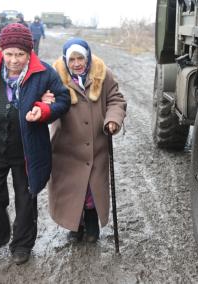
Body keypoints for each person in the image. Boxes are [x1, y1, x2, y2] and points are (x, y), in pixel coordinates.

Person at [0, 23, 70, 264]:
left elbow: (63, 99)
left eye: (20, 54)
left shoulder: (44, 72)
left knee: (26, 198)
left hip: (28, 151)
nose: (14, 60)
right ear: (1, 51)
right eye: (9, 54)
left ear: (30, 53)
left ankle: (22, 245)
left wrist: (44, 109)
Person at [45, 38, 126, 243]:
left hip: (96, 145)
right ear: (65, 61)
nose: (77, 63)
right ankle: (75, 225)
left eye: (80, 58)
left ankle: (91, 223)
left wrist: (112, 120)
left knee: (91, 188)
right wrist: (45, 105)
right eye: (71, 59)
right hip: (67, 147)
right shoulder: (55, 78)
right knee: (72, 188)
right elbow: (46, 104)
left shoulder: (102, 75)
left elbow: (116, 100)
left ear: (88, 57)